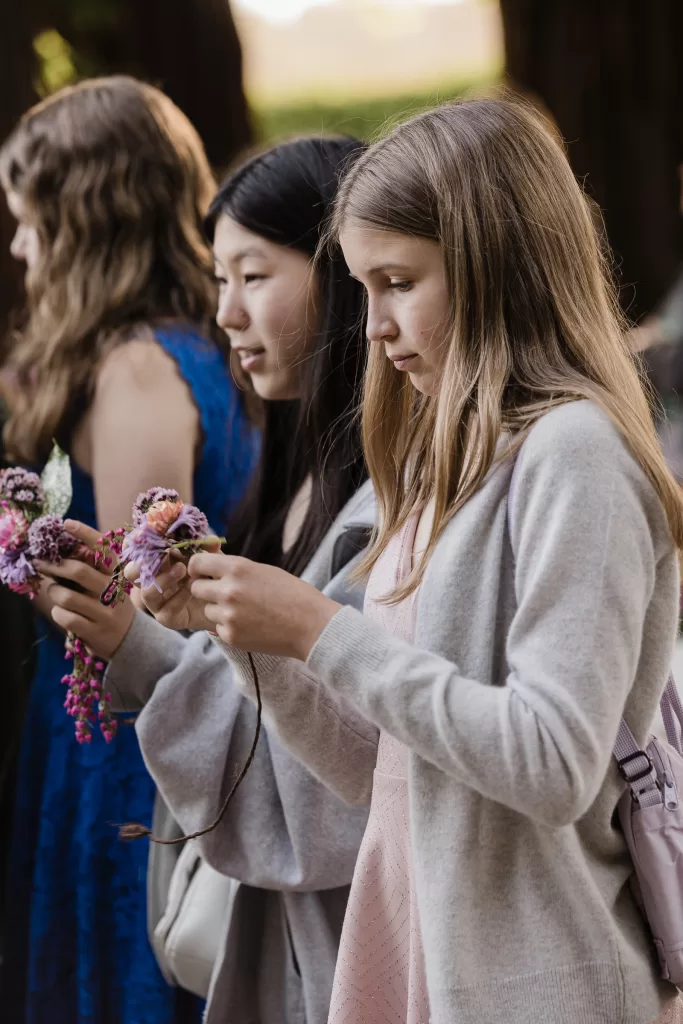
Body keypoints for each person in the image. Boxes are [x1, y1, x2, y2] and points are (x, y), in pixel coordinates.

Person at [182, 99, 683, 1024]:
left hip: (542, 978)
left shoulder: (574, 454)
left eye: (398, 282)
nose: (369, 326)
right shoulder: (438, 457)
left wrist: (323, 631)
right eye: (361, 288)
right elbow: (386, 774)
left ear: (498, 267)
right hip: (420, 960)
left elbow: (551, 760)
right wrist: (265, 644)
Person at [43, 135, 373, 1024]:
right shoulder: (300, 465)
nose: (225, 313)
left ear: (348, 275)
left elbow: (333, 773)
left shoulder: (387, 504)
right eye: (217, 278)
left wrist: (148, 644)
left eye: (253, 276)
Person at [0, 76, 256, 1024]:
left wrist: (23, 553)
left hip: (122, 735)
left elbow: (132, 603)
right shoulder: (181, 345)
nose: (20, 246)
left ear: (85, 219)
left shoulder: (138, 370)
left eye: (30, 222)